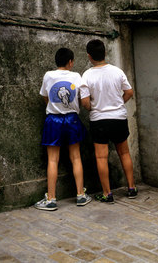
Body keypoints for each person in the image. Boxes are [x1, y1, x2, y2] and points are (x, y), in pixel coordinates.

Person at [80, 39, 137, 203]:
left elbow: (84, 102)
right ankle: (132, 188)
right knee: (124, 153)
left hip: (99, 120)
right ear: (105, 53)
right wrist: (118, 103)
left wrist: (95, 107)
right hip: (118, 118)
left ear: (89, 56)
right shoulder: (117, 71)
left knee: (101, 157)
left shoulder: (87, 75)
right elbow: (129, 92)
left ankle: (107, 193)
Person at [35, 47, 92, 211]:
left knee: (52, 160)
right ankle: (81, 195)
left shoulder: (48, 75)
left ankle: (51, 199)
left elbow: (45, 96)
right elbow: (82, 98)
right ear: (70, 62)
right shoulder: (76, 76)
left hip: (53, 120)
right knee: (76, 157)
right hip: (72, 119)